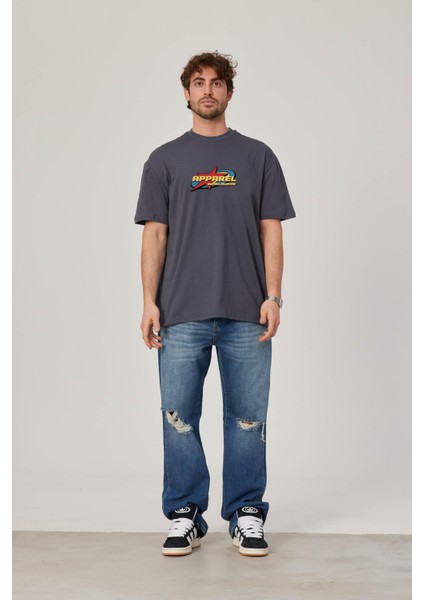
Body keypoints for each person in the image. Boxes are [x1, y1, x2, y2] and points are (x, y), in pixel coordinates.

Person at [134, 51, 296, 557]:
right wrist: (149, 302)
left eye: (217, 82)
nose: (208, 90)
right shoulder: (164, 160)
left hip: (247, 312)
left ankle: (247, 514)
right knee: (178, 416)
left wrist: (273, 296)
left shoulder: (258, 157)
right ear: (186, 93)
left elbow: (271, 231)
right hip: (180, 312)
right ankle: (185, 514)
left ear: (229, 92)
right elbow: (155, 235)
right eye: (199, 82)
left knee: (248, 418)